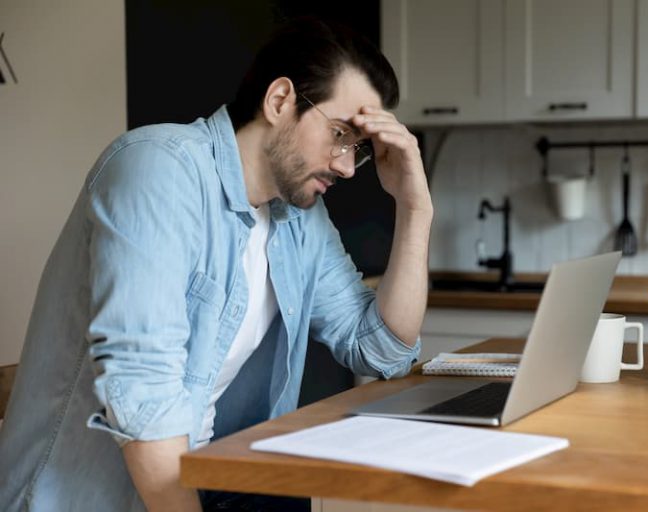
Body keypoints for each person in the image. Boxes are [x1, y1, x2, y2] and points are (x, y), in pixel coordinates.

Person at [0, 17, 432, 512]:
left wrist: (415, 208)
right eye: (339, 134)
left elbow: (380, 350)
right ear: (279, 101)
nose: (345, 165)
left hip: (209, 485)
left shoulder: (296, 219)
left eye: (356, 147)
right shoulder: (159, 170)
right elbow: (145, 395)